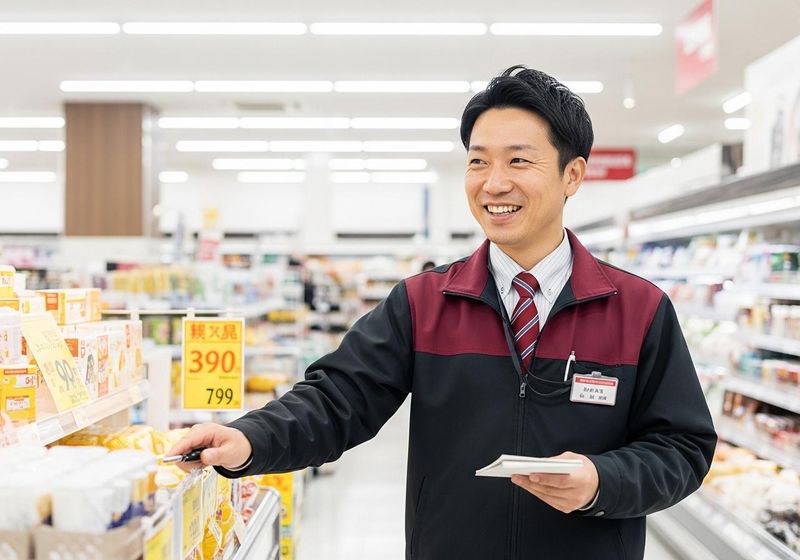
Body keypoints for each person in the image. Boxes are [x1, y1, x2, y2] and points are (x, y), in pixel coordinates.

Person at [169, 65, 717, 559]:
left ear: (572, 176)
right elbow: (339, 399)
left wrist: (604, 480)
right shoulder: (423, 303)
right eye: (479, 162)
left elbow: (683, 446)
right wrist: (249, 439)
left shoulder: (639, 309)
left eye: (519, 161)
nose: (493, 183)